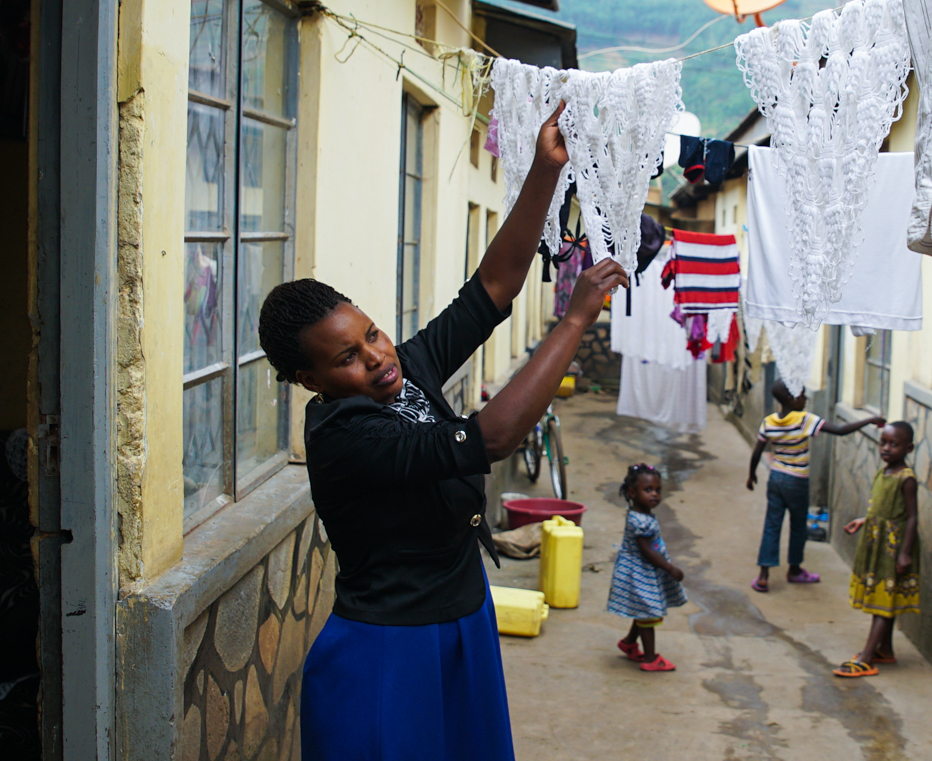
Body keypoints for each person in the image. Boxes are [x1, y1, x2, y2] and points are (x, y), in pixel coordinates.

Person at [257, 101, 630, 760]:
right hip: (389, 651)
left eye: (370, 332)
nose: (376, 356)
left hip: (463, 622)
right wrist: (572, 322)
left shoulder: (408, 368)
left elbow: (491, 286)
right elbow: (489, 438)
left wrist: (545, 172)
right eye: (347, 357)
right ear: (310, 379)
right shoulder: (345, 437)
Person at [746, 380, 884, 592]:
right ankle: (794, 570)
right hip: (796, 480)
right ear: (792, 399)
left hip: (776, 478)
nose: (806, 399)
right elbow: (839, 430)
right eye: (802, 395)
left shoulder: (769, 422)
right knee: (798, 525)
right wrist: (869, 420)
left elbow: (757, 451)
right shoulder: (804, 420)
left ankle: (763, 575)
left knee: (772, 525)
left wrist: (751, 475)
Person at [834, 421, 920, 678]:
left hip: (894, 547)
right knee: (886, 597)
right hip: (878, 543)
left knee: (882, 602)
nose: (886, 448)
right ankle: (885, 649)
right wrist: (864, 521)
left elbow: (913, 517)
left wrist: (905, 553)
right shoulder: (884, 473)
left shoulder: (907, 479)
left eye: (894, 444)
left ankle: (867, 657)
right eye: (883, 442)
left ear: (908, 448)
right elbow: (881, 509)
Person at [606, 463, 687, 672]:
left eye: (658, 490)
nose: (655, 495)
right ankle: (651, 658)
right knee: (648, 612)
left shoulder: (642, 514)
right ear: (632, 493)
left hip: (643, 571)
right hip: (638, 572)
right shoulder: (638, 520)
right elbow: (647, 551)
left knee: (644, 609)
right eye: (648, 490)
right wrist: (669, 568)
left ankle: (629, 642)